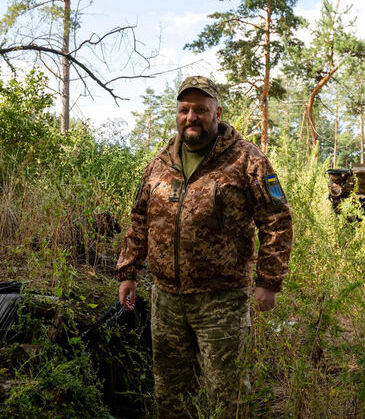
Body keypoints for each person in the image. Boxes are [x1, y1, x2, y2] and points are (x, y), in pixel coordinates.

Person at [115, 75, 293, 418]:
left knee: (227, 397)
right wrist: (129, 271)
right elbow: (139, 220)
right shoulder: (160, 163)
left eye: (200, 109)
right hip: (166, 299)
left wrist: (269, 282)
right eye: (184, 110)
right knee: (171, 395)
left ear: (217, 113)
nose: (191, 117)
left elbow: (277, 220)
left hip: (221, 300)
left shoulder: (247, 160)